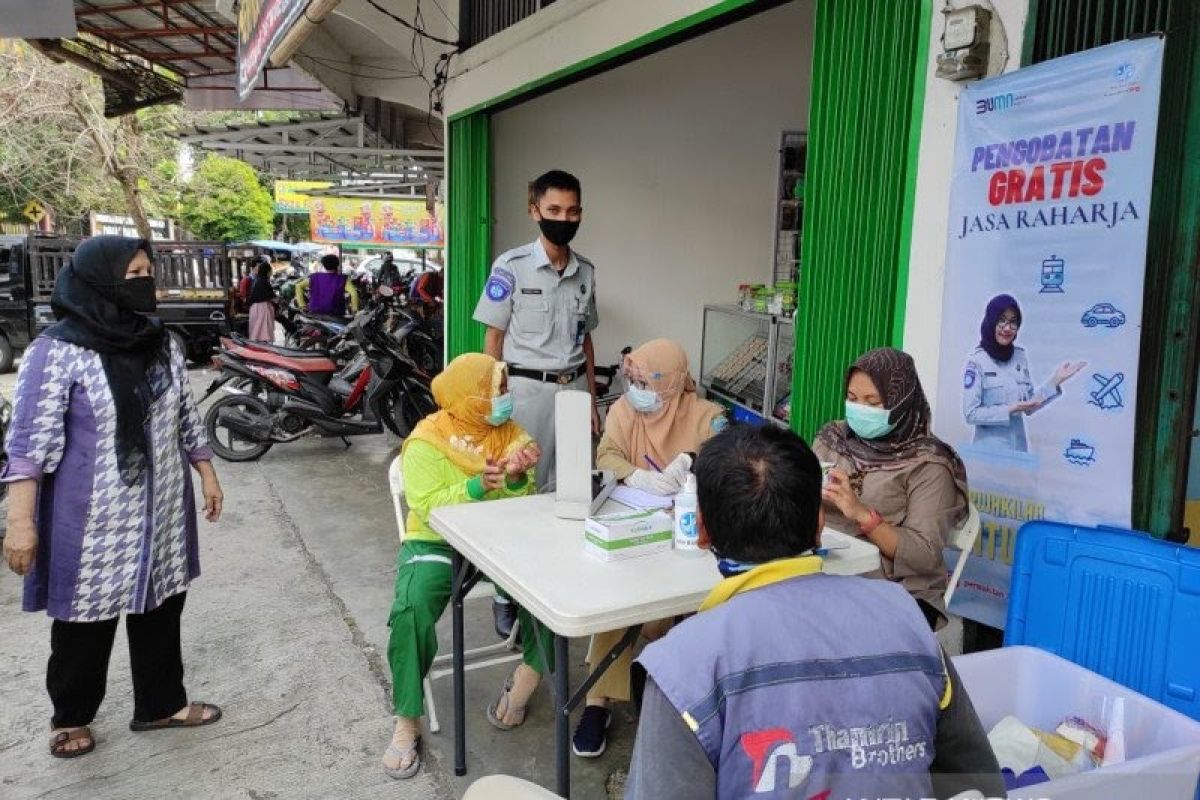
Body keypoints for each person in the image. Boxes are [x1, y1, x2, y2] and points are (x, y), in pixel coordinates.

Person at [626, 425, 1004, 800]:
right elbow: (977, 784)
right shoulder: (907, 620)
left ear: (701, 530)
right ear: (821, 526)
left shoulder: (683, 668)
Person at [1, 236, 225, 759]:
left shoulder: (161, 343)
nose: (148, 282)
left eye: (150, 271)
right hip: (92, 518)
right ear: (99, 281)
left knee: (163, 607)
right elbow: (29, 445)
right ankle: (72, 716)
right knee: (85, 621)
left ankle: (160, 705)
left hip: (163, 509)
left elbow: (186, 418)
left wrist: (207, 474)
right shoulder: (56, 351)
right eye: (136, 273)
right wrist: (21, 522)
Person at [382, 352, 557, 780]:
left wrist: (516, 477)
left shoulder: (512, 434)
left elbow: (524, 498)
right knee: (411, 608)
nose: (506, 396)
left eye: (505, 387)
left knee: (554, 591)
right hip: (438, 543)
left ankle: (526, 680)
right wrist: (479, 485)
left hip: (500, 542)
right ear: (471, 396)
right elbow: (427, 505)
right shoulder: (426, 440)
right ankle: (408, 720)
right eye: (497, 389)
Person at [572, 339, 726, 758]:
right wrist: (640, 478)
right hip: (635, 529)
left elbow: (728, 456)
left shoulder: (706, 415)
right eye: (632, 378)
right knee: (619, 600)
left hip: (690, 540)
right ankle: (597, 702)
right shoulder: (625, 410)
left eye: (645, 380)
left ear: (672, 381)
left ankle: (676, 699)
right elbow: (607, 454)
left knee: (690, 613)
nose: (635, 387)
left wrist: (692, 460)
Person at [473, 169, 599, 638]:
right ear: (535, 211)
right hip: (524, 392)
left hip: (572, 391)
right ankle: (506, 593)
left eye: (572, 211)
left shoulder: (586, 271)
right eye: (554, 211)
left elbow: (586, 338)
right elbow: (493, 336)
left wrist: (590, 397)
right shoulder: (511, 266)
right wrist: (494, 397)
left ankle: (555, 587)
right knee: (517, 490)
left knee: (567, 493)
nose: (563, 219)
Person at [813, 348, 969, 631]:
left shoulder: (929, 464)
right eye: (852, 399)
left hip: (898, 589)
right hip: (825, 570)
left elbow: (923, 555)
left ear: (901, 403)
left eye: (873, 403)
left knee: (815, 629)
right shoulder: (834, 438)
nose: (859, 409)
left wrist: (863, 515)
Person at [963, 294, 1085, 452]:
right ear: (991, 322)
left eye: (1013, 322)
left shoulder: (1020, 356)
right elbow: (971, 414)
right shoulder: (977, 362)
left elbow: (1029, 406)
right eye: (1001, 320)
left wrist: (1056, 380)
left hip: (1019, 452)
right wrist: (1010, 409)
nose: (1007, 328)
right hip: (988, 454)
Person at [295, 253, 359, 317]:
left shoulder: (315, 277)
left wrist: (302, 305)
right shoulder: (343, 279)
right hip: (336, 315)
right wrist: (354, 309)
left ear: (324, 265)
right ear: (337, 265)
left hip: (315, 313)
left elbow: (298, 286)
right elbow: (354, 293)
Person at [247, 259, 276, 342]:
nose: (271, 272)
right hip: (262, 308)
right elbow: (271, 296)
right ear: (267, 271)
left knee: (257, 331)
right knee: (263, 330)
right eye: (270, 270)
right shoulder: (264, 282)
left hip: (255, 308)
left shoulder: (257, 280)